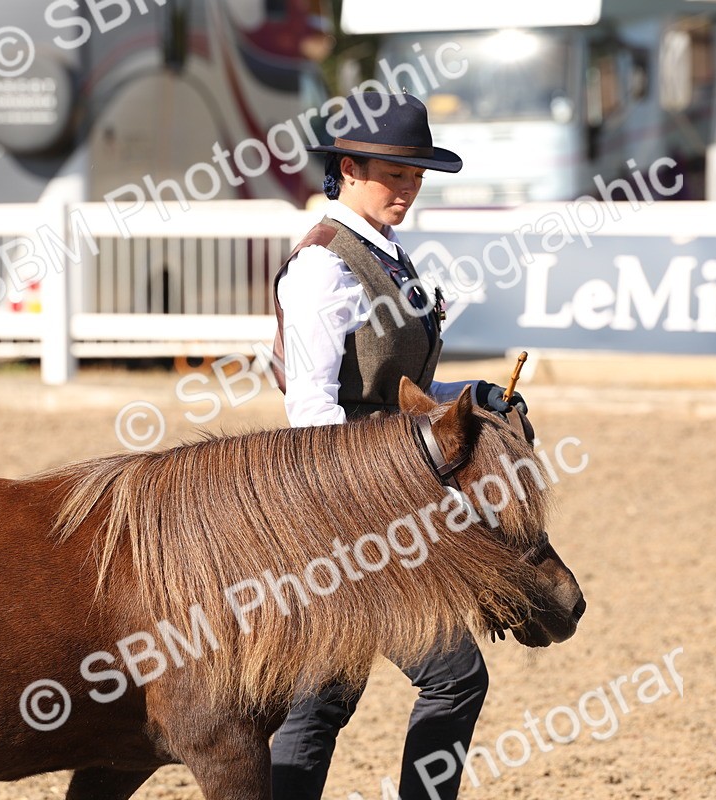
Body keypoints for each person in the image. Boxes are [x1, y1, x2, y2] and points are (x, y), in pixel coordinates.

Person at [268, 91, 527, 800]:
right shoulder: (325, 264)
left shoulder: (384, 252)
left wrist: (470, 393)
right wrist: (351, 520)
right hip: (356, 511)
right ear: (347, 167)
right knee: (454, 678)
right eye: (395, 174)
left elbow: (396, 389)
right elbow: (314, 409)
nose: (408, 190)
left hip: (387, 495)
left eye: (416, 176)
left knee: (323, 695)